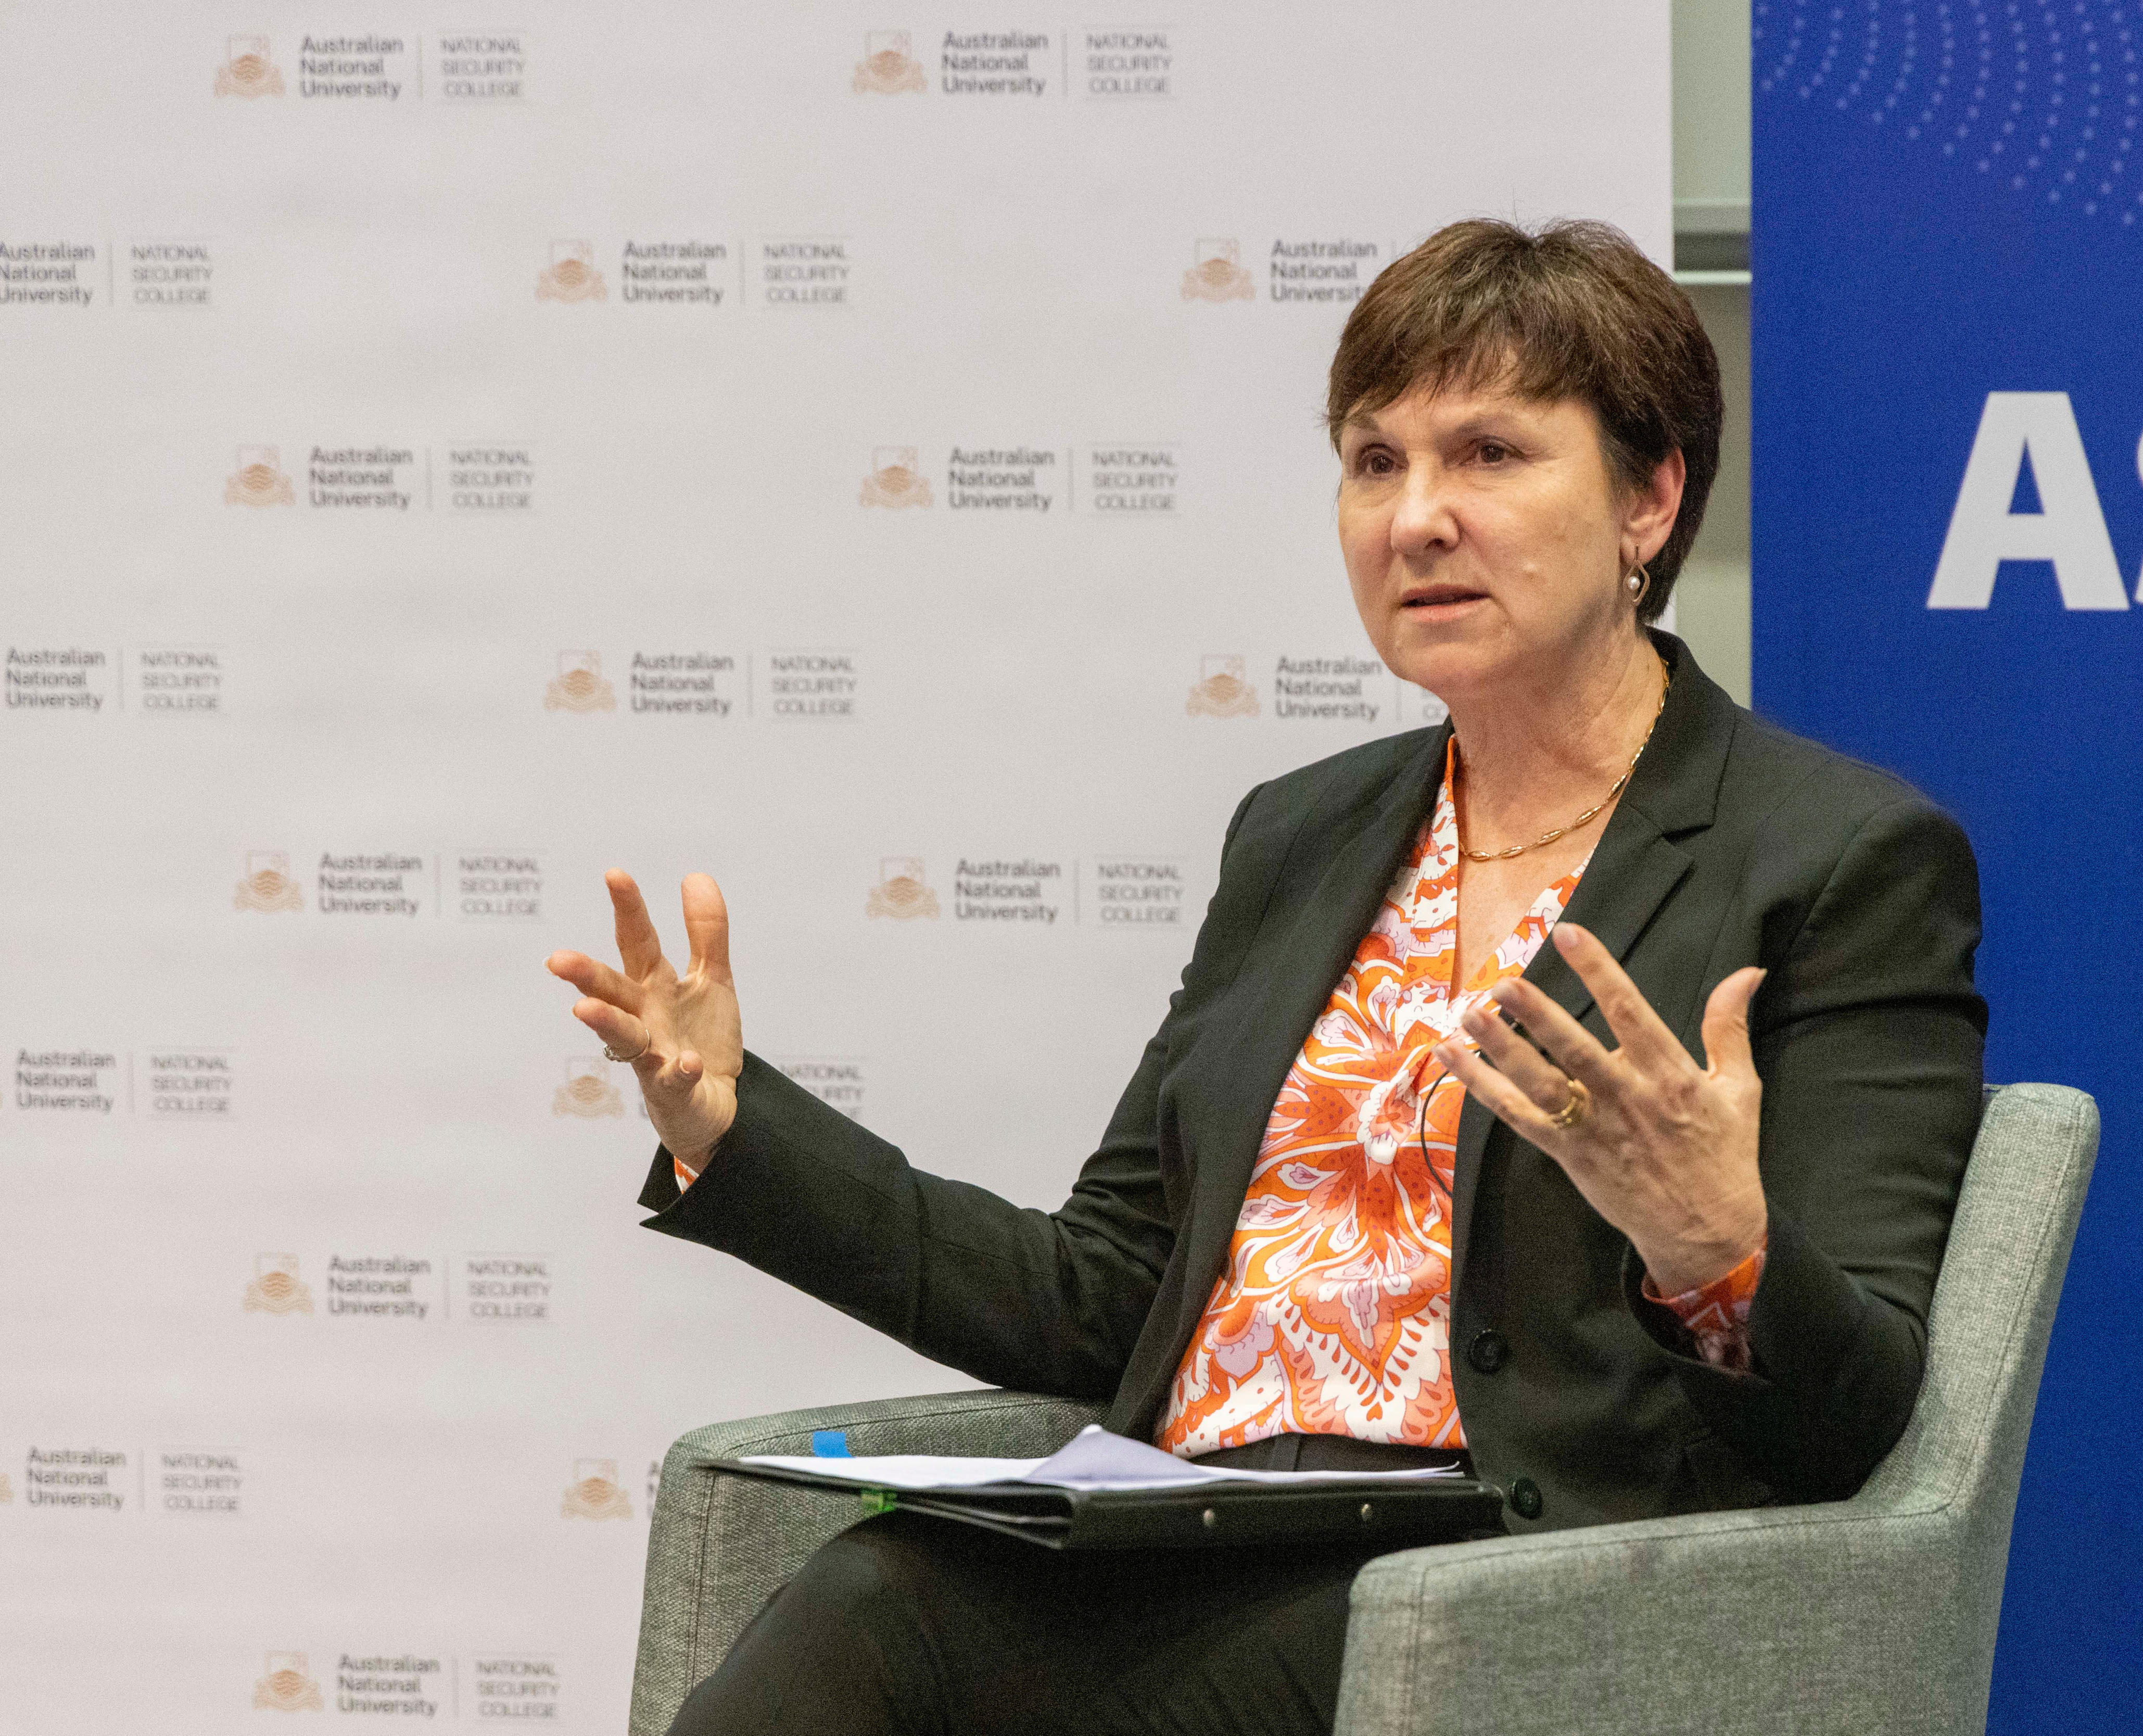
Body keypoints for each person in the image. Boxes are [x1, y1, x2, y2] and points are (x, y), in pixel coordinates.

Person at [546, 218, 1986, 1735]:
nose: (1416, 517)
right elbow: (1107, 1296)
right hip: (1191, 1525)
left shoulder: (1835, 857)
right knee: (862, 1611)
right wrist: (733, 1130)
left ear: (1651, 499)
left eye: (1491, 454)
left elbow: (1859, 1421)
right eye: (1374, 461)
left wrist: (1720, 1250)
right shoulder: (1306, 832)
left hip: (1498, 1588)